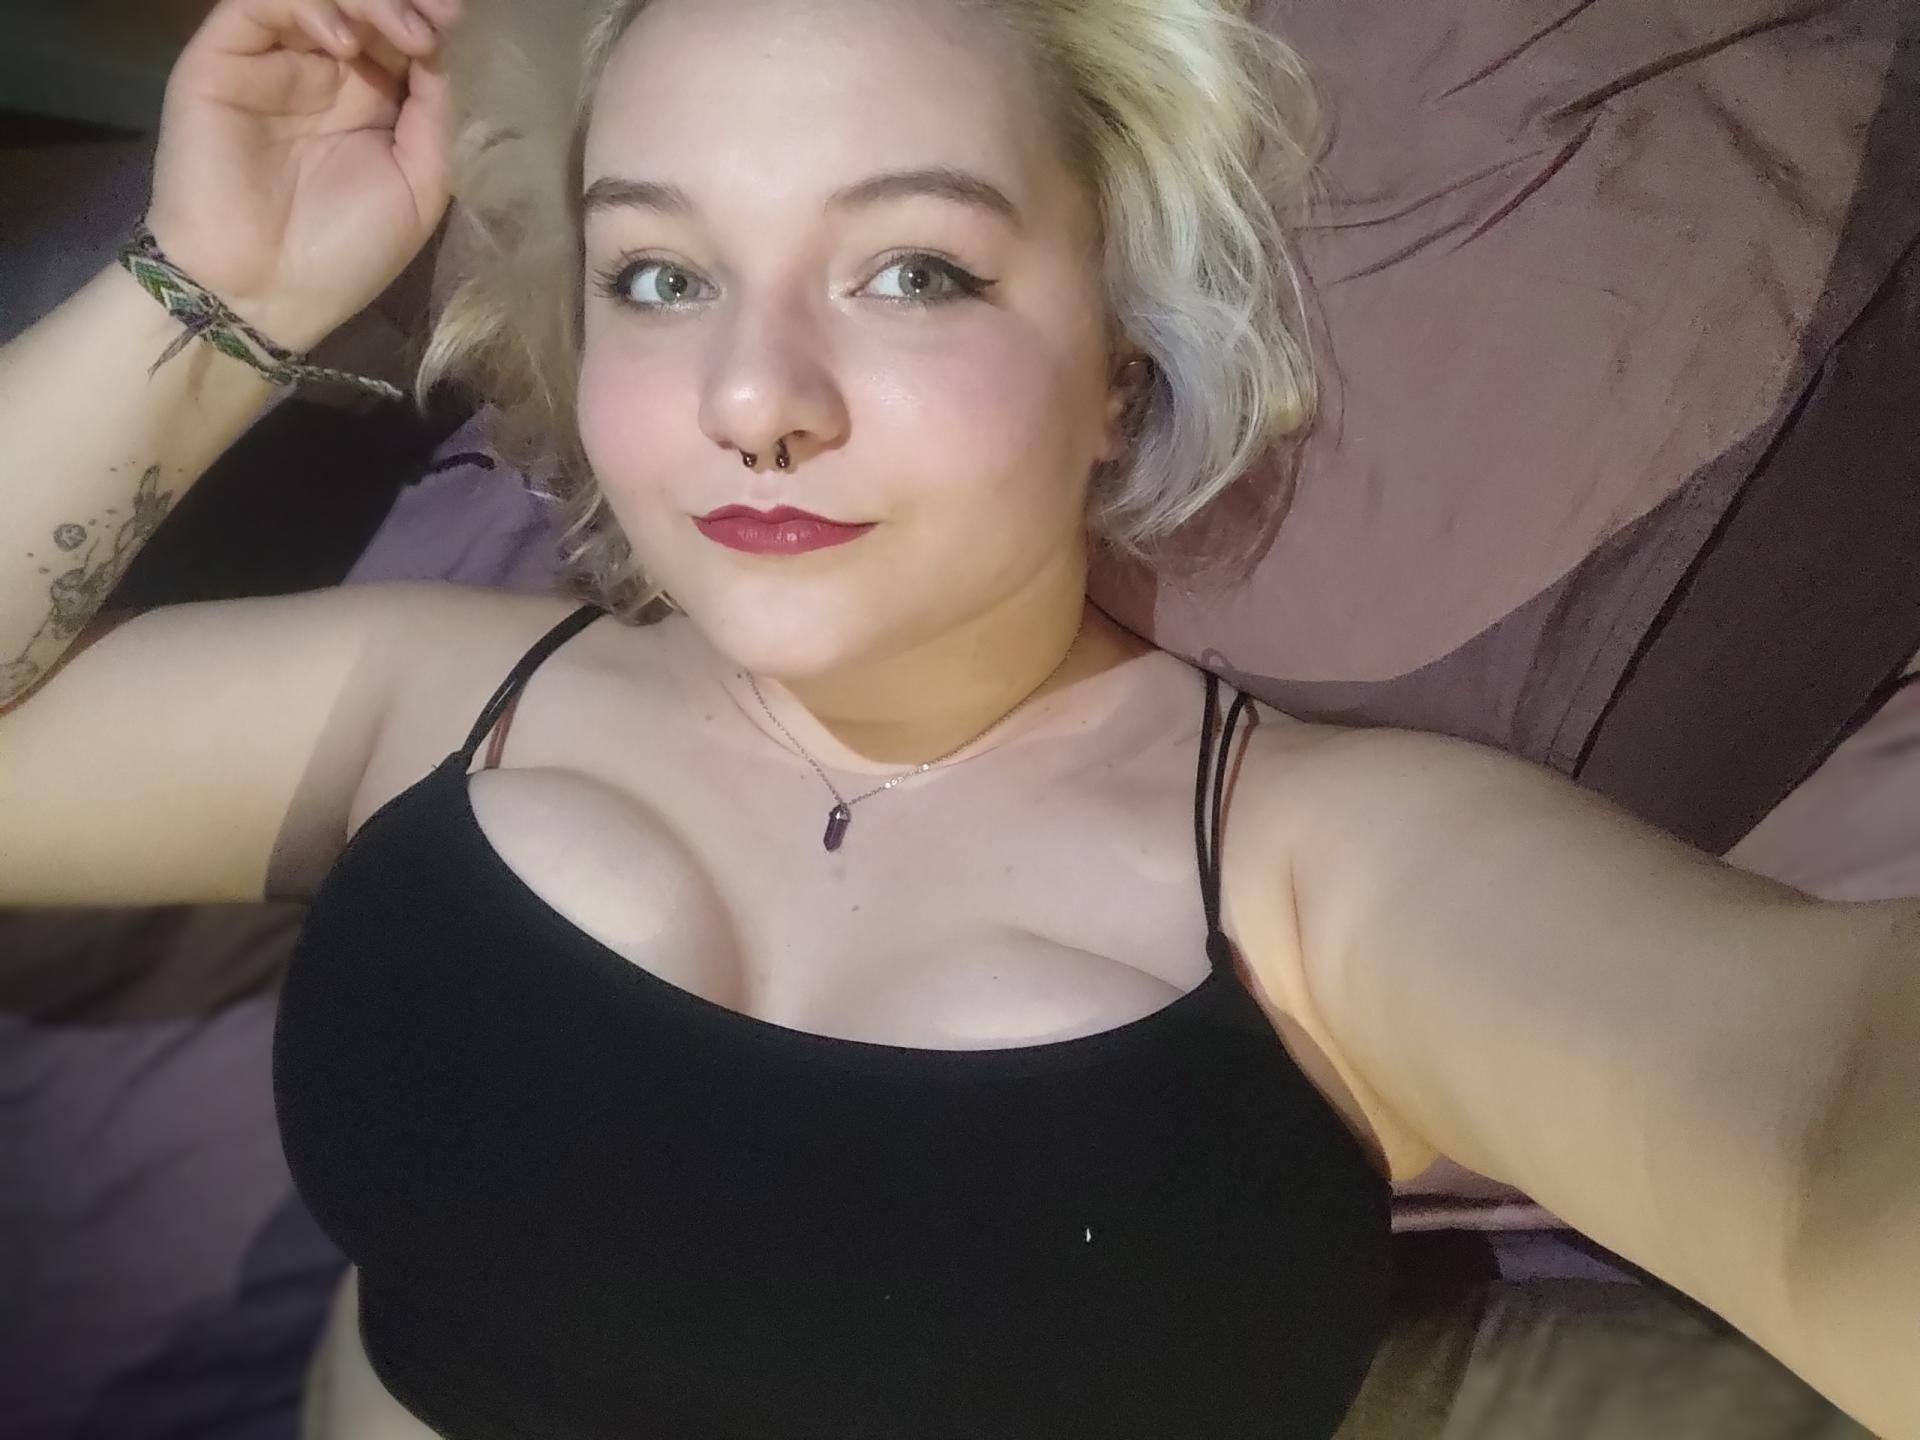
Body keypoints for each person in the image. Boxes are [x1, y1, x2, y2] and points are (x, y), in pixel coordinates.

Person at [0, 0, 1912, 1436]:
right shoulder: (430, 700)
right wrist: (219, 291)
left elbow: (1834, 1139)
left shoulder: (1325, 874)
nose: (754, 395)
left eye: (914, 270)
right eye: (660, 275)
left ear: (1119, 361)